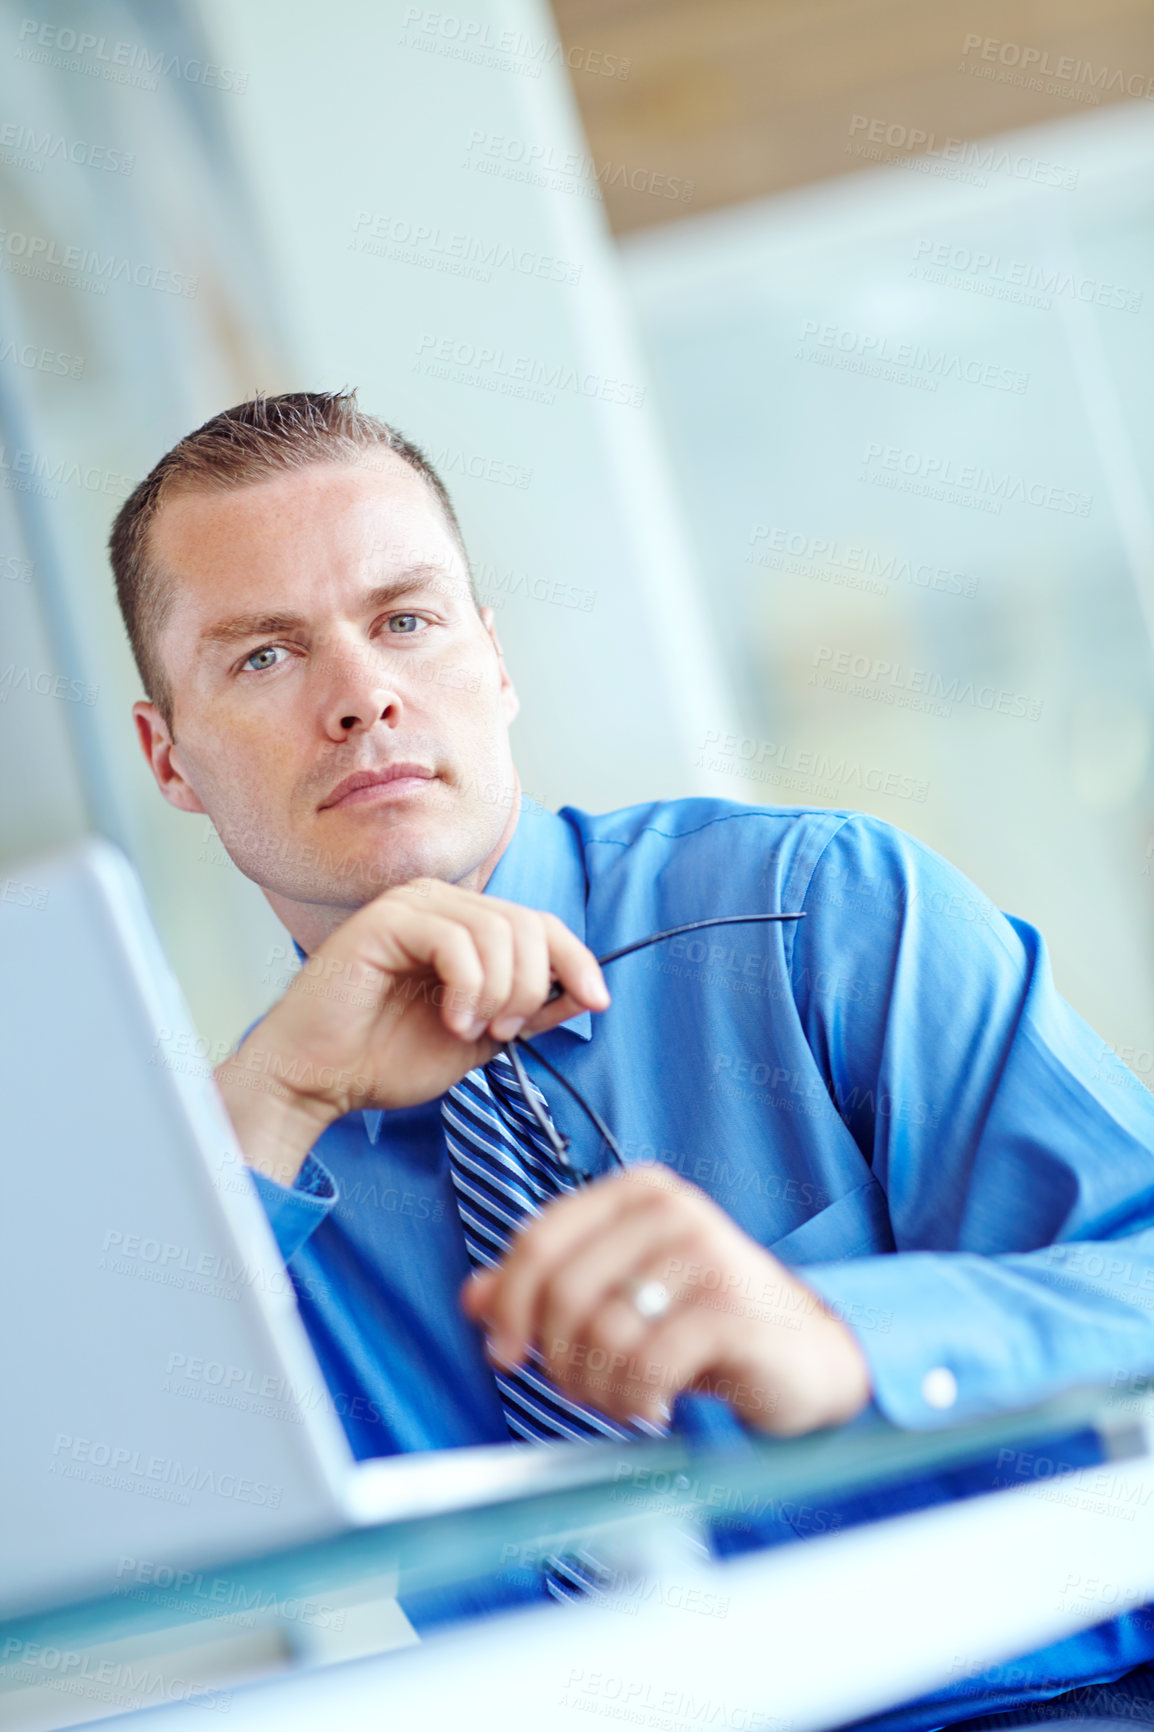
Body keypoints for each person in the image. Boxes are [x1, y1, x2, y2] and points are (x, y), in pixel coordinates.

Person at [112, 389, 1154, 1727]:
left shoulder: (820, 912)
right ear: (168, 756)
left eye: (405, 621)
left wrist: (846, 1339)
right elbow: (100, 1531)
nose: (362, 696)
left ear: (493, 663)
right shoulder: (226, 1169)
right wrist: (269, 1104)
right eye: (263, 657)